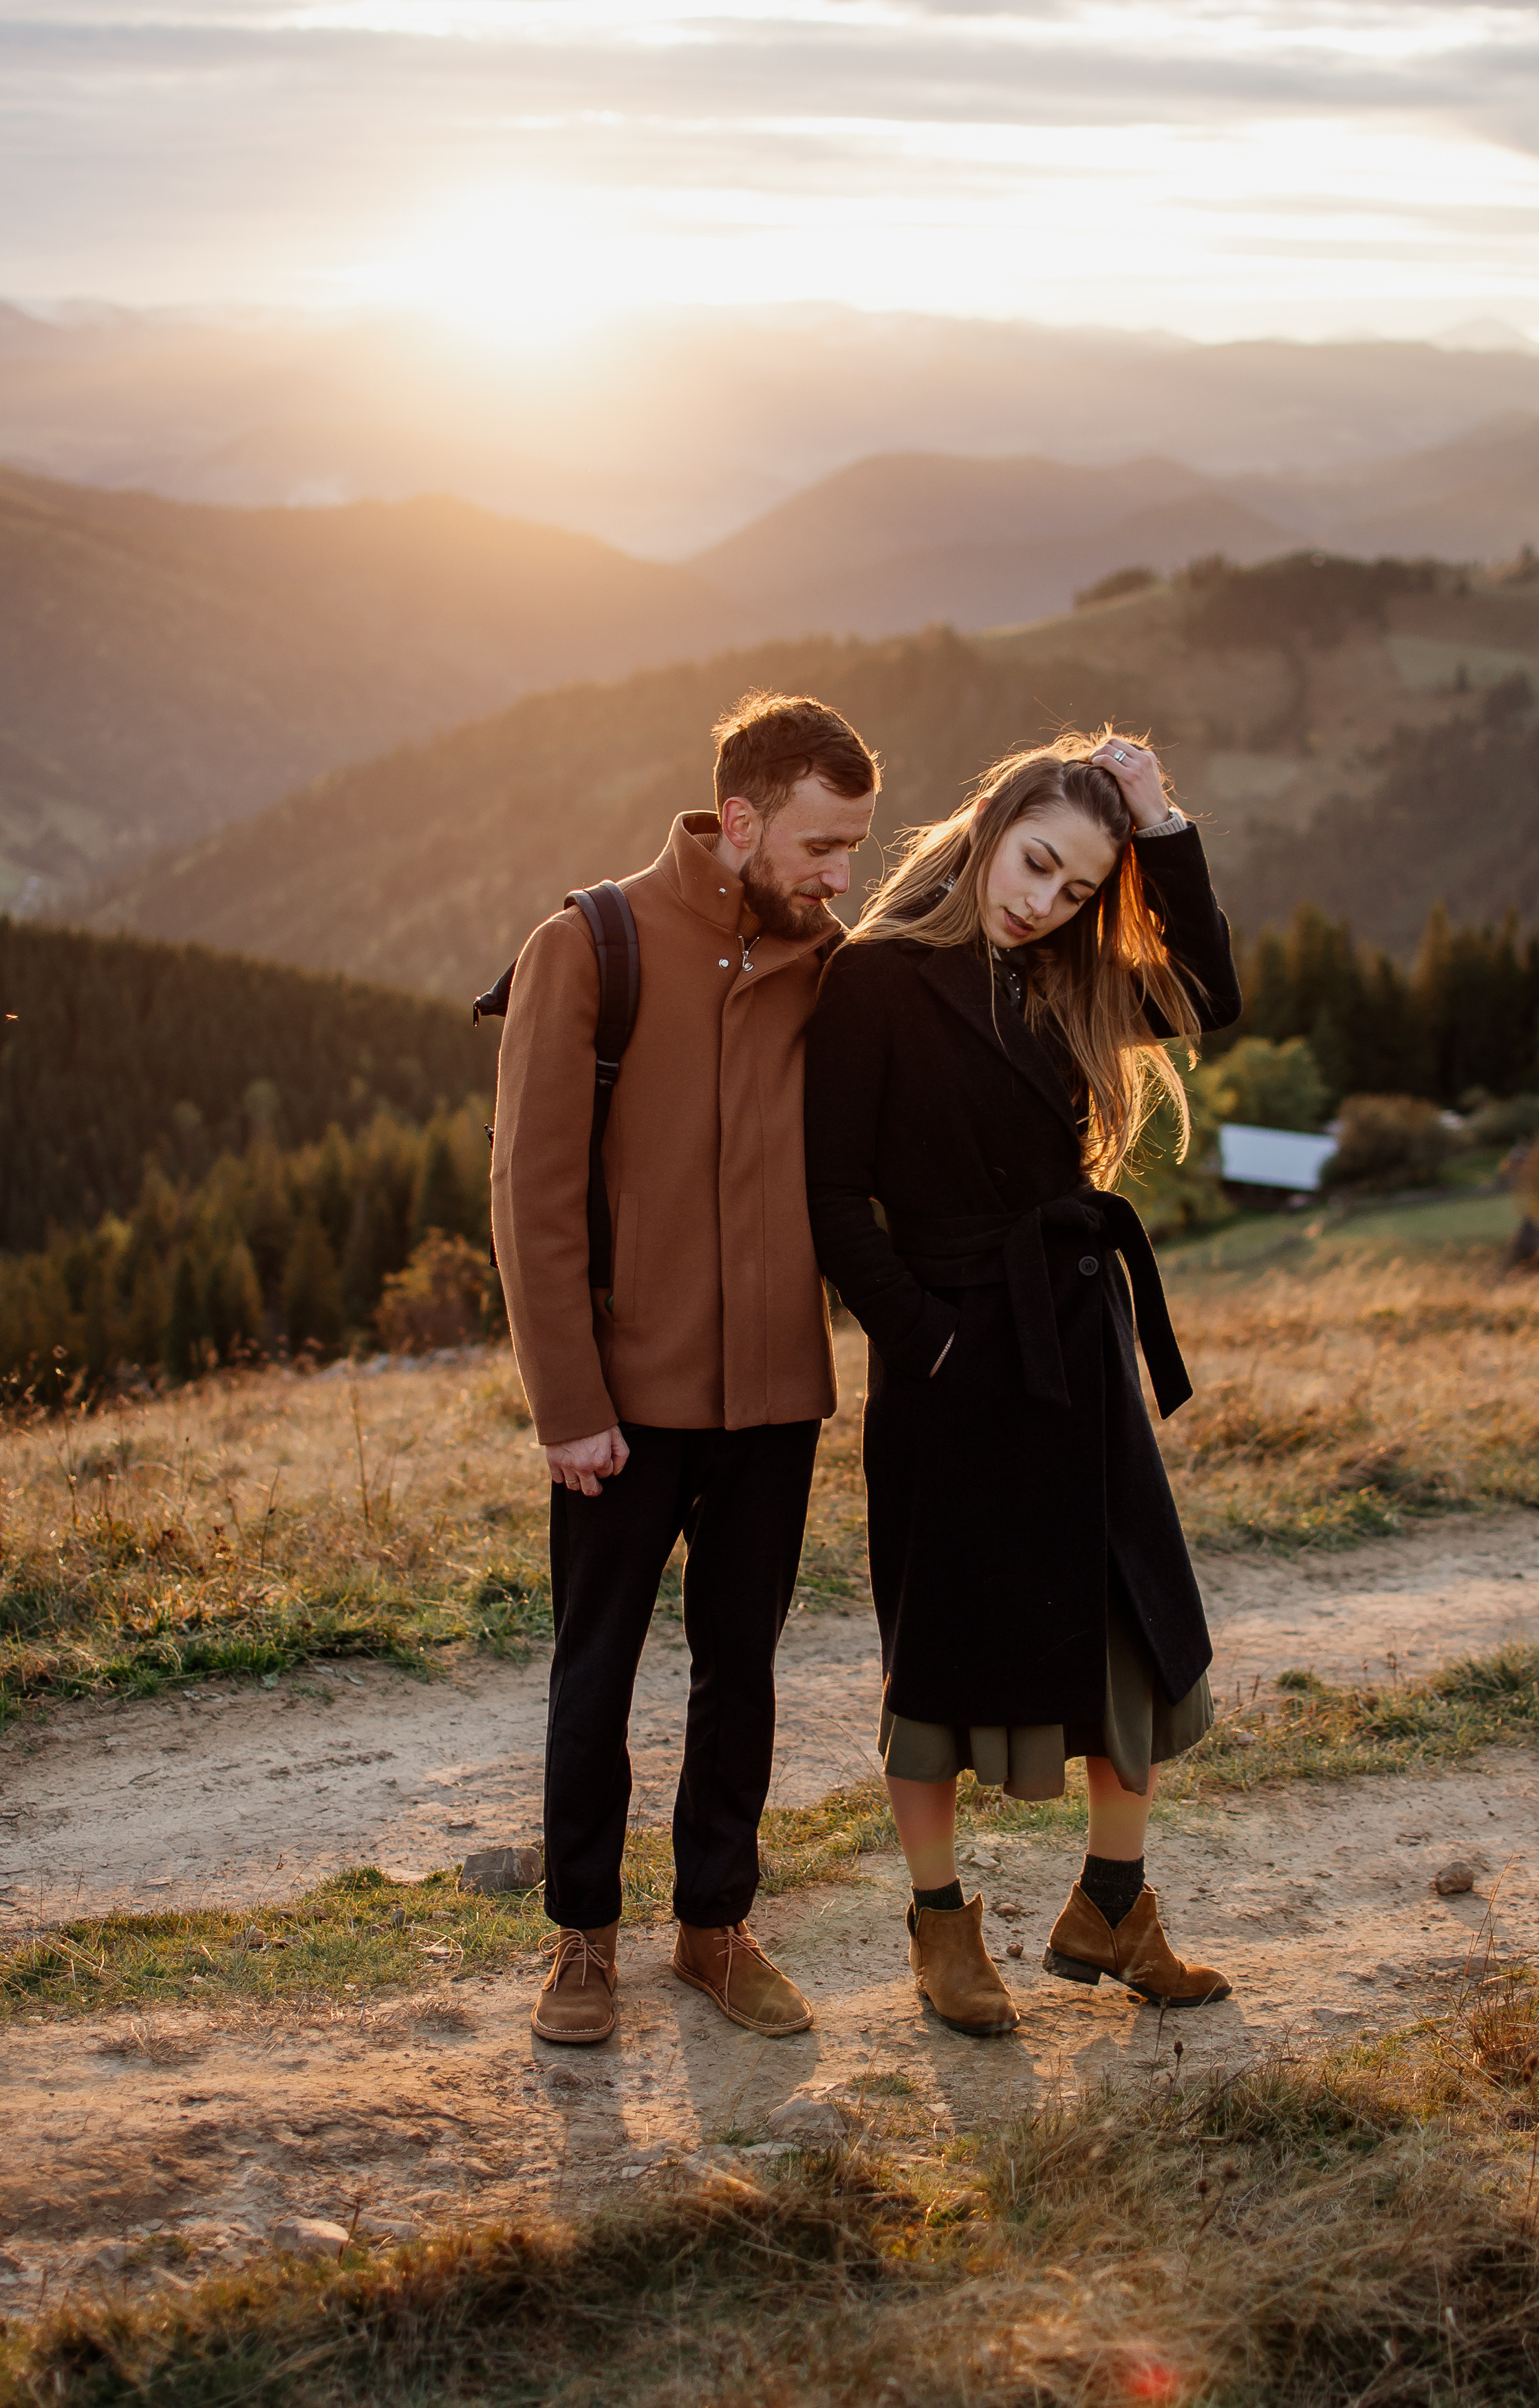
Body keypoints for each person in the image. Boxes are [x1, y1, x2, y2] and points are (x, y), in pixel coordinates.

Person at [804, 732, 1240, 2036]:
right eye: (1035, 863)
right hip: (947, 1352)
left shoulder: (1078, 976)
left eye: (1072, 889)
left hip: (1076, 1338)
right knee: (937, 1648)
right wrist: (924, 1338)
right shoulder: (872, 979)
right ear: (989, 823)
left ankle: (1113, 1905)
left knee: (1129, 1628)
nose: (1040, 900)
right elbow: (831, 1197)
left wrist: (1161, 825)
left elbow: (1208, 993)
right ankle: (941, 1933)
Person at [492, 690, 879, 2048]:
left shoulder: (830, 963)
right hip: (622, 1403)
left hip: (777, 1394)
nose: (840, 879)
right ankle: (581, 1945)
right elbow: (531, 1195)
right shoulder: (588, 945)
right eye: (823, 847)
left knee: (743, 1670)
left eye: (856, 853)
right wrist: (569, 1407)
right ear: (740, 819)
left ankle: (715, 1930)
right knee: (594, 1672)